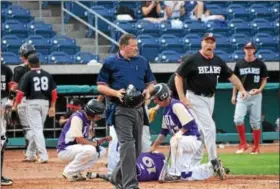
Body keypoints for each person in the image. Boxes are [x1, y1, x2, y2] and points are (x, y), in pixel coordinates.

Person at [175, 33, 248, 164]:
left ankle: (193, 163)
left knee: (201, 132)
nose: (209, 45)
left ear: (215, 45)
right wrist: (182, 97)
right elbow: (178, 76)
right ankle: (213, 160)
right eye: (207, 42)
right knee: (210, 128)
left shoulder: (218, 60)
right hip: (195, 98)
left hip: (210, 99)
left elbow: (231, 76)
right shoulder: (193, 59)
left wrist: (242, 89)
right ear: (202, 43)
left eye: (212, 42)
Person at [97, 33, 156, 189]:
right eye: (133, 45)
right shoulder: (110, 62)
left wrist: (148, 92)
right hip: (120, 109)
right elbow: (100, 86)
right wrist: (116, 93)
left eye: (136, 45)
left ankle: (116, 176)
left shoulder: (142, 61)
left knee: (136, 149)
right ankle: (130, 185)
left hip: (139, 109)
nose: (136, 48)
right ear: (123, 46)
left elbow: (151, 83)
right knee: (127, 145)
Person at [149, 83, 226, 181]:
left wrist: (178, 134)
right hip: (183, 143)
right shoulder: (165, 111)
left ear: (162, 96)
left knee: (175, 140)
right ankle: (212, 167)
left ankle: (174, 173)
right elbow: (163, 132)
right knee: (184, 175)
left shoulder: (175, 105)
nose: (155, 101)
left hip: (192, 139)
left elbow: (189, 123)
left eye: (155, 98)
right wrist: (153, 147)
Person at [13, 53, 57, 163]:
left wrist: (15, 105)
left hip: (32, 103)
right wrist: (53, 106)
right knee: (37, 129)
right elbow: (54, 92)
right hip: (45, 103)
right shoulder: (47, 74)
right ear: (39, 63)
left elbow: (20, 93)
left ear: (29, 64)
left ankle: (43, 156)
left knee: (37, 130)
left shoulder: (27, 75)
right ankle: (30, 154)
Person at [57, 99, 110, 181]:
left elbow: (91, 135)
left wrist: (96, 141)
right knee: (91, 149)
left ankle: (76, 171)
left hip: (76, 148)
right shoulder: (77, 117)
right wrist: (94, 144)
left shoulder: (90, 120)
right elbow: (79, 139)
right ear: (92, 113)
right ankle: (69, 171)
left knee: (101, 151)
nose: (99, 117)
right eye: (98, 115)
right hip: (65, 149)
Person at [231, 42, 268, 154]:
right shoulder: (239, 63)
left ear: (254, 50)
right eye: (247, 48)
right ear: (244, 49)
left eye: (251, 48)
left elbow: (264, 79)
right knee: (237, 119)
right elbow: (235, 82)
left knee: (255, 123)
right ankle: (243, 143)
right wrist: (233, 95)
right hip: (242, 94)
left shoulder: (260, 64)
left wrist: (260, 89)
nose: (248, 50)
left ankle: (256, 147)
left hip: (255, 94)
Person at [10, 43, 36, 161]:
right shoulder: (39, 69)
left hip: (23, 100)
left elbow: (14, 88)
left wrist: (13, 103)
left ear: (23, 55)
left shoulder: (19, 69)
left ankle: (30, 153)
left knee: (28, 129)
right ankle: (31, 152)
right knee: (35, 127)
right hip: (38, 101)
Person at [88, 152, 165, 182]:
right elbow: (161, 179)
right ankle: (101, 175)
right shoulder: (162, 170)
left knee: (120, 175)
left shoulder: (159, 155)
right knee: (120, 177)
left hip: (135, 163)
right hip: (140, 171)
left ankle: (102, 174)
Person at [1, 63, 14, 186]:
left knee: (2, 140)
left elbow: (13, 86)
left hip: (2, 104)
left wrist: (10, 101)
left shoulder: (5, 69)